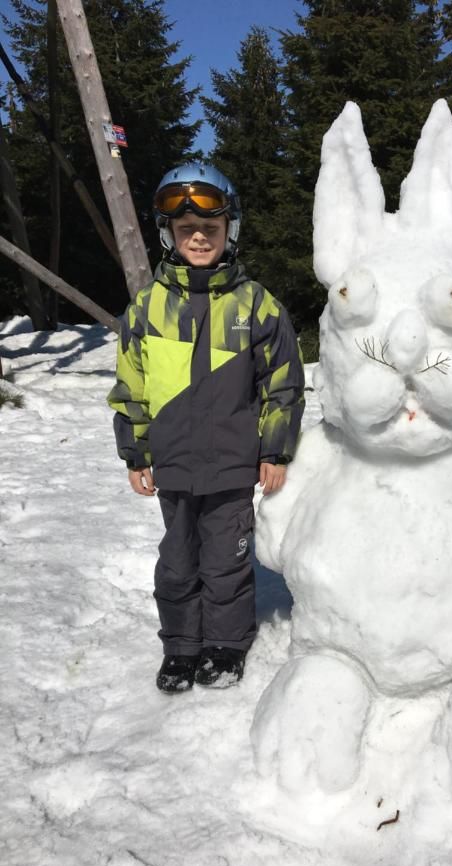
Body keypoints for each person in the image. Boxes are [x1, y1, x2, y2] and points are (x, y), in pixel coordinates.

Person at [107, 163, 305, 694]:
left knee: (226, 563)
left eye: (210, 230)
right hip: (173, 466)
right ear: (167, 234)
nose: (198, 238)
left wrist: (276, 450)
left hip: (232, 466)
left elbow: (283, 382)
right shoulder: (147, 308)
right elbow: (131, 386)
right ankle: (181, 645)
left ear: (229, 231)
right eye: (186, 230)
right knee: (176, 563)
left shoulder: (255, 305)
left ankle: (224, 644)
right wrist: (137, 452)